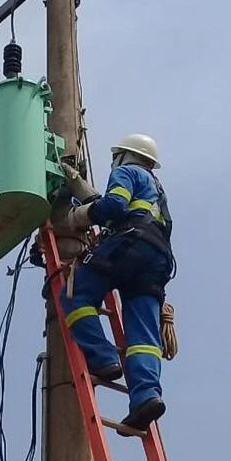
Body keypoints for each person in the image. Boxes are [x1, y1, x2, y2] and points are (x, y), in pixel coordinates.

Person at [60, 134, 175, 432]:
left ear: (125, 155)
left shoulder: (126, 172)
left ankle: (103, 358)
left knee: (76, 295)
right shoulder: (157, 190)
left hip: (130, 244)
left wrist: (78, 216)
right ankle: (146, 397)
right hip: (157, 259)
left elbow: (113, 206)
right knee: (143, 333)